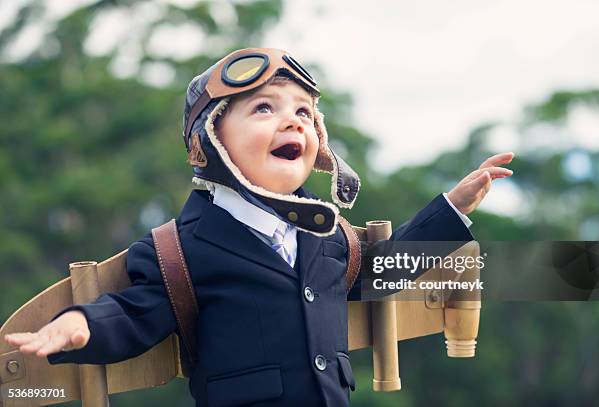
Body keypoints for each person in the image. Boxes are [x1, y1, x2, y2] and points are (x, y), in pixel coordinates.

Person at [4, 48, 514, 407]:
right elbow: (135, 313)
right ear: (211, 141)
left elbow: (381, 273)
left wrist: (453, 207)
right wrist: (81, 325)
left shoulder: (328, 233)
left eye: (304, 113)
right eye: (264, 108)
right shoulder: (182, 248)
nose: (293, 122)